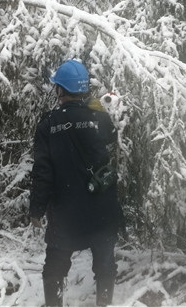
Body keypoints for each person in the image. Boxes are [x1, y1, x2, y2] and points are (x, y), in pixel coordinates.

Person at [29, 60, 123, 307]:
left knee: (54, 268)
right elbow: (113, 136)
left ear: (60, 89)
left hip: (65, 212)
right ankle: (104, 303)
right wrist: (97, 109)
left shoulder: (48, 124)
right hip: (102, 208)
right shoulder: (98, 117)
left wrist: (36, 209)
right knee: (105, 264)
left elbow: (42, 172)